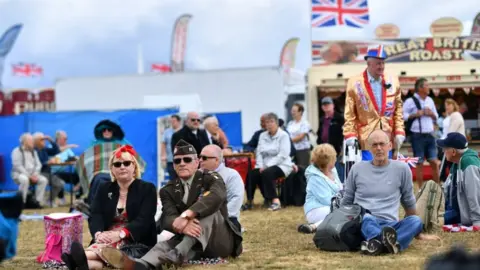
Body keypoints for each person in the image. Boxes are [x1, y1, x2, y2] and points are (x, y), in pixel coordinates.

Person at [99, 140, 243, 269]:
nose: (182, 163)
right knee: (163, 246)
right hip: (192, 244)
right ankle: (140, 264)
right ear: (173, 166)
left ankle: (178, 253)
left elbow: (216, 196)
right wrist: (180, 223)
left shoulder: (211, 177)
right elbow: (167, 218)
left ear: (196, 162)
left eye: (187, 160)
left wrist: (187, 215)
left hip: (220, 241)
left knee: (208, 212)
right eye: (177, 161)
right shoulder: (168, 189)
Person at [341, 130, 439, 256]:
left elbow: (408, 201)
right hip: (365, 222)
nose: (379, 148)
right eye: (374, 145)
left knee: (415, 221)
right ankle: (391, 243)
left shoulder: (402, 169)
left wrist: (418, 232)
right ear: (368, 148)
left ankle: (376, 243)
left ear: (390, 146)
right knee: (366, 218)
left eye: (382, 144)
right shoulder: (357, 169)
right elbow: (347, 200)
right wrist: (337, 224)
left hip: (391, 225)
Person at [64, 145, 157, 270]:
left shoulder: (147, 188)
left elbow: (145, 219)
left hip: (136, 239)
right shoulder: (104, 188)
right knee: (103, 251)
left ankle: (79, 257)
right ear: (112, 170)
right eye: (117, 164)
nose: (122, 167)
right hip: (107, 236)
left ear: (134, 167)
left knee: (111, 244)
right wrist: (98, 234)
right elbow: (96, 214)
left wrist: (121, 234)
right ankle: (84, 264)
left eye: (127, 163)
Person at [343, 45, 405, 161]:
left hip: (387, 137)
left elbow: (398, 110)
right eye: (378, 63)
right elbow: (350, 113)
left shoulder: (393, 80)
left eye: (383, 63)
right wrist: (350, 134)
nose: (381, 66)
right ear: (368, 63)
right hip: (366, 139)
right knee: (369, 173)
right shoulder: (355, 82)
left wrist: (399, 130)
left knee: (387, 173)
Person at [243, 113, 293, 211]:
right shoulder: (262, 135)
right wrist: (259, 166)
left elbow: (283, 155)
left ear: (277, 123)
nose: (269, 124)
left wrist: (266, 166)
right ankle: (249, 201)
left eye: (271, 122)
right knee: (251, 174)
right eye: (267, 122)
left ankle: (275, 201)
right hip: (264, 165)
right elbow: (259, 152)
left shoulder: (283, 135)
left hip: (282, 165)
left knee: (267, 173)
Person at [437, 132, 480, 226]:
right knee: (425, 217)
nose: (443, 151)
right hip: (454, 210)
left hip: (460, 214)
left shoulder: (468, 163)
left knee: (428, 222)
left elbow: (474, 194)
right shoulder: (456, 162)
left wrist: (477, 221)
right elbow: (446, 189)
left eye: (445, 148)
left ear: (453, 152)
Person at [297, 144, 342, 234]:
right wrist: (343, 202)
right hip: (316, 209)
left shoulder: (333, 170)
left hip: (334, 205)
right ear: (329, 160)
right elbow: (326, 200)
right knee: (341, 214)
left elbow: (340, 188)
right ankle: (314, 226)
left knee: (344, 213)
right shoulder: (315, 177)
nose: (336, 159)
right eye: (334, 157)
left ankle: (313, 226)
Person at [403, 78, 440, 187]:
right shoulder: (410, 101)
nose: (429, 88)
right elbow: (402, 115)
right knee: (419, 163)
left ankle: (437, 188)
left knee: (434, 162)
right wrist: (415, 114)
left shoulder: (430, 100)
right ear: (420, 88)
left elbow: (436, 117)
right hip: (417, 135)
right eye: (426, 85)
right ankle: (420, 189)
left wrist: (431, 114)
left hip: (430, 134)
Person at [199, 144, 244, 230]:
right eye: (200, 157)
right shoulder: (197, 175)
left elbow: (235, 200)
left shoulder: (231, 175)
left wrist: (214, 218)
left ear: (216, 160)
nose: (200, 160)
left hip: (225, 219)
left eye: (204, 158)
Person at [11, 133, 48, 206]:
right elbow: (18, 166)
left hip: (33, 175)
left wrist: (35, 175)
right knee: (25, 179)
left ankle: (37, 202)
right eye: (31, 141)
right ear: (25, 142)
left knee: (44, 180)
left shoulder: (34, 152)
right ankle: (22, 202)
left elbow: (38, 165)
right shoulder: (16, 151)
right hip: (19, 174)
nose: (33, 142)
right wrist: (29, 176)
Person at [316, 96, 345, 182]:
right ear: (322, 107)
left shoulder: (340, 118)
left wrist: (341, 148)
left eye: (328, 104)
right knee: (325, 173)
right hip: (324, 151)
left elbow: (343, 134)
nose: (326, 106)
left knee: (337, 172)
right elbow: (319, 133)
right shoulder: (322, 119)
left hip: (337, 151)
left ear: (333, 105)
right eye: (324, 105)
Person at [287, 103, 312, 168]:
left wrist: (288, 141)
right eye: (292, 111)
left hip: (302, 150)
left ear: (300, 112)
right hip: (292, 150)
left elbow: (301, 136)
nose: (292, 112)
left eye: (294, 111)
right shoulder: (290, 123)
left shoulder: (305, 123)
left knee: (302, 168)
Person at [161, 114, 182, 181]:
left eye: (174, 121)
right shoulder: (167, 132)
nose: (172, 123)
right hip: (170, 160)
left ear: (179, 122)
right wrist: (163, 157)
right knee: (172, 178)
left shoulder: (184, 132)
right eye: (171, 121)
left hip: (182, 160)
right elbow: (163, 144)